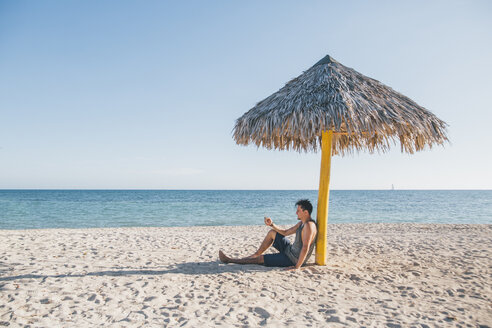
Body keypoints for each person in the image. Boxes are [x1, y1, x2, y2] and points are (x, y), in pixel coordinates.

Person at [219, 199, 317, 271]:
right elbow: (286, 232)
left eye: (298, 211)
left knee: (261, 259)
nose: (296, 213)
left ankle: (230, 260)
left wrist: (297, 267)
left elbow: (305, 247)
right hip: (290, 250)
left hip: (293, 259)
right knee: (272, 233)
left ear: (306, 212)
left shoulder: (309, 226)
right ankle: (256, 254)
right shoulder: (302, 223)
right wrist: (272, 225)